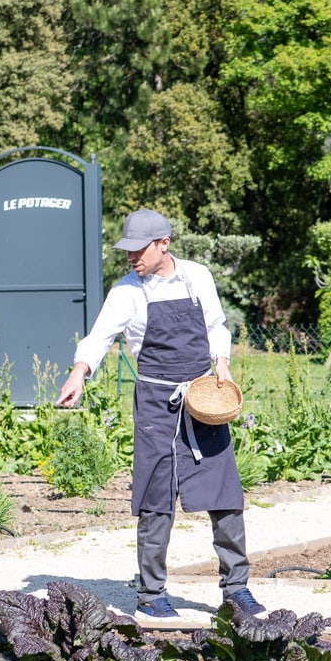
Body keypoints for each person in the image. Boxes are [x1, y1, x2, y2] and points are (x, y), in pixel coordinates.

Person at [56, 209, 264, 620]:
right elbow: (100, 338)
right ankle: (151, 593)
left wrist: (221, 360)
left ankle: (236, 589)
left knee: (224, 494)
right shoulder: (126, 293)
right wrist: (78, 374)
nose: (131, 257)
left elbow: (217, 325)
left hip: (205, 399)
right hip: (156, 403)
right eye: (127, 250)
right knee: (156, 498)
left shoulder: (197, 276)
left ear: (164, 243)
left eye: (139, 249)